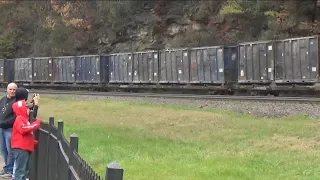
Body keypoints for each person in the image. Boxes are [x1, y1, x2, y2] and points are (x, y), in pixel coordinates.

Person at [11, 88, 40, 180]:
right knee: (20, 171)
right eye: (26, 108)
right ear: (22, 109)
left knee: (25, 171)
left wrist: (33, 142)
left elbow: (28, 133)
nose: (28, 110)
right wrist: (36, 124)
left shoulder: (24, 120)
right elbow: (23, 130)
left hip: (25, 148)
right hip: (21, 148)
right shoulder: (19, 118)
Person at [0, 83, 17, 178]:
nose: (12, 91)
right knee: (3, 149)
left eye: (14, 89)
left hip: (10, 129)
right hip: (2, 128)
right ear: (7, 90)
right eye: (10, 89)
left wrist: (3, 123)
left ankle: (10, 169)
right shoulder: (3, 99)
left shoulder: (16, 101)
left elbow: (14, 118)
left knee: (10, 150)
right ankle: (7, 167)